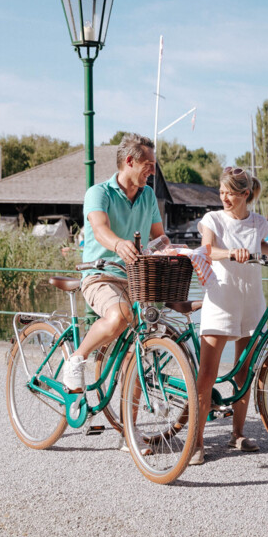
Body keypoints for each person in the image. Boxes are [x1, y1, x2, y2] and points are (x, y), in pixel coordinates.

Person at [62, 133, 166, 392]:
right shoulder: (98, 193)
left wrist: (173, 248)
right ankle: (76, 359)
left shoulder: (148, 195)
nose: (153, 171)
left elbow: (160, 236)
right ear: (130, 161)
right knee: (120, 316)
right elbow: (99, 229)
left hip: (136, 277)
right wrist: (118, 244)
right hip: (102, 275)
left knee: (148, 337)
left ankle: (129, 429)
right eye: (149, 164)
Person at [192, 167, 268, 465]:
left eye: (231, 193)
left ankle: (237, 433)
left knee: (244, 371)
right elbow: (207, 249)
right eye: (222, 192)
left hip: (251, 301)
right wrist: (231, 253)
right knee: (206, 376)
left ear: (245, 194)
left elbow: (262, 248)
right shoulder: (212, 219)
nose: (225, 197)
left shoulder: (258, 222)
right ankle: (197, 442)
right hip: (221, 300)